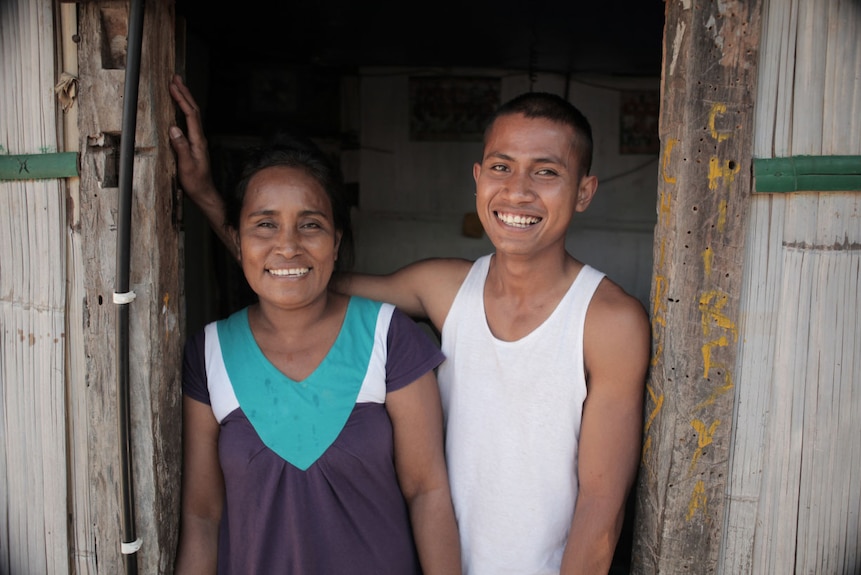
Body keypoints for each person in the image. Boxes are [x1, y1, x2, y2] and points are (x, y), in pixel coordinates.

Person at [170, 74, 650, 575]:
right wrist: (205, 195)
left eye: (546, 172)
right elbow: (297, 277)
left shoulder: (608, 321)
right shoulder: (445, 289)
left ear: (585, 191)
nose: (517, 191)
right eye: (501, 167)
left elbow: (601, 512)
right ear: (477, 177)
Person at [173, 138, 461, 574]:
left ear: (336, 239)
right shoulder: (210, 352)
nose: (288, 246)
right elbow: (202, 517)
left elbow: (427, 491)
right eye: (265, 225)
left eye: (310, 225)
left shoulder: (387, 335)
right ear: (236, 238)